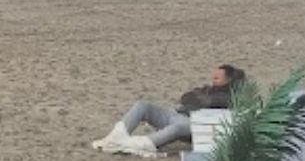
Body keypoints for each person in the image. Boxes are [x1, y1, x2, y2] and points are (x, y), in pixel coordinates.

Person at [92, 65, 246, 156]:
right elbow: (186, 97)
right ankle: (116, 138)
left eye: (217, 78)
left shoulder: (232, 97)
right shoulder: (209, 89)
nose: (213, 80)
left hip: (194, 125)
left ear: (229, 80)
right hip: (178, 114)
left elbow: (203, 101)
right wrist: (197, 99)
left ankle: (137, 144)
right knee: (142, 105)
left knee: (178, 127)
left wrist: (198, 99)